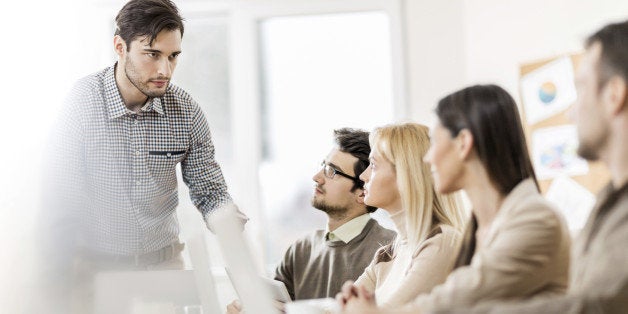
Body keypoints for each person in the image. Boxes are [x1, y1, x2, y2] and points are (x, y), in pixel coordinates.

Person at [37, 0, 245, 312]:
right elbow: (59, 201)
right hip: (95, 269)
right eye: (152, 54)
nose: (165, 70)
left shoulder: (185, 111)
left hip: (163, 266)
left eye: (173, 56)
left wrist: (228, 221)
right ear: (120, 47)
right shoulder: (82, 105)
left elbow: (209, 190)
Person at [435, 19, 628, 314]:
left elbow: (596, 305)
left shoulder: (539, 219)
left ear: (615, 94)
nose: (572, 113)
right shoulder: (606, 203)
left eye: (582, 88)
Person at [339, 85, 571, 313]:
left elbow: (453, 302)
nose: (428, 159)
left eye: (436, 142)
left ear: (463, 143)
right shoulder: (477, 230)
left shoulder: (534, 219)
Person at [227, 128, 395, 313]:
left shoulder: (389, 250)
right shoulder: (300, 249)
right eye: (324, 166)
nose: (317, 178)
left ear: (362, 192)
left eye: (333, 171)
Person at [337, 123, 466, 308]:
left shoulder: (442, 241)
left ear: (405, 175)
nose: (363, 176)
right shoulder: (387, 254)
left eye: (373, 165)